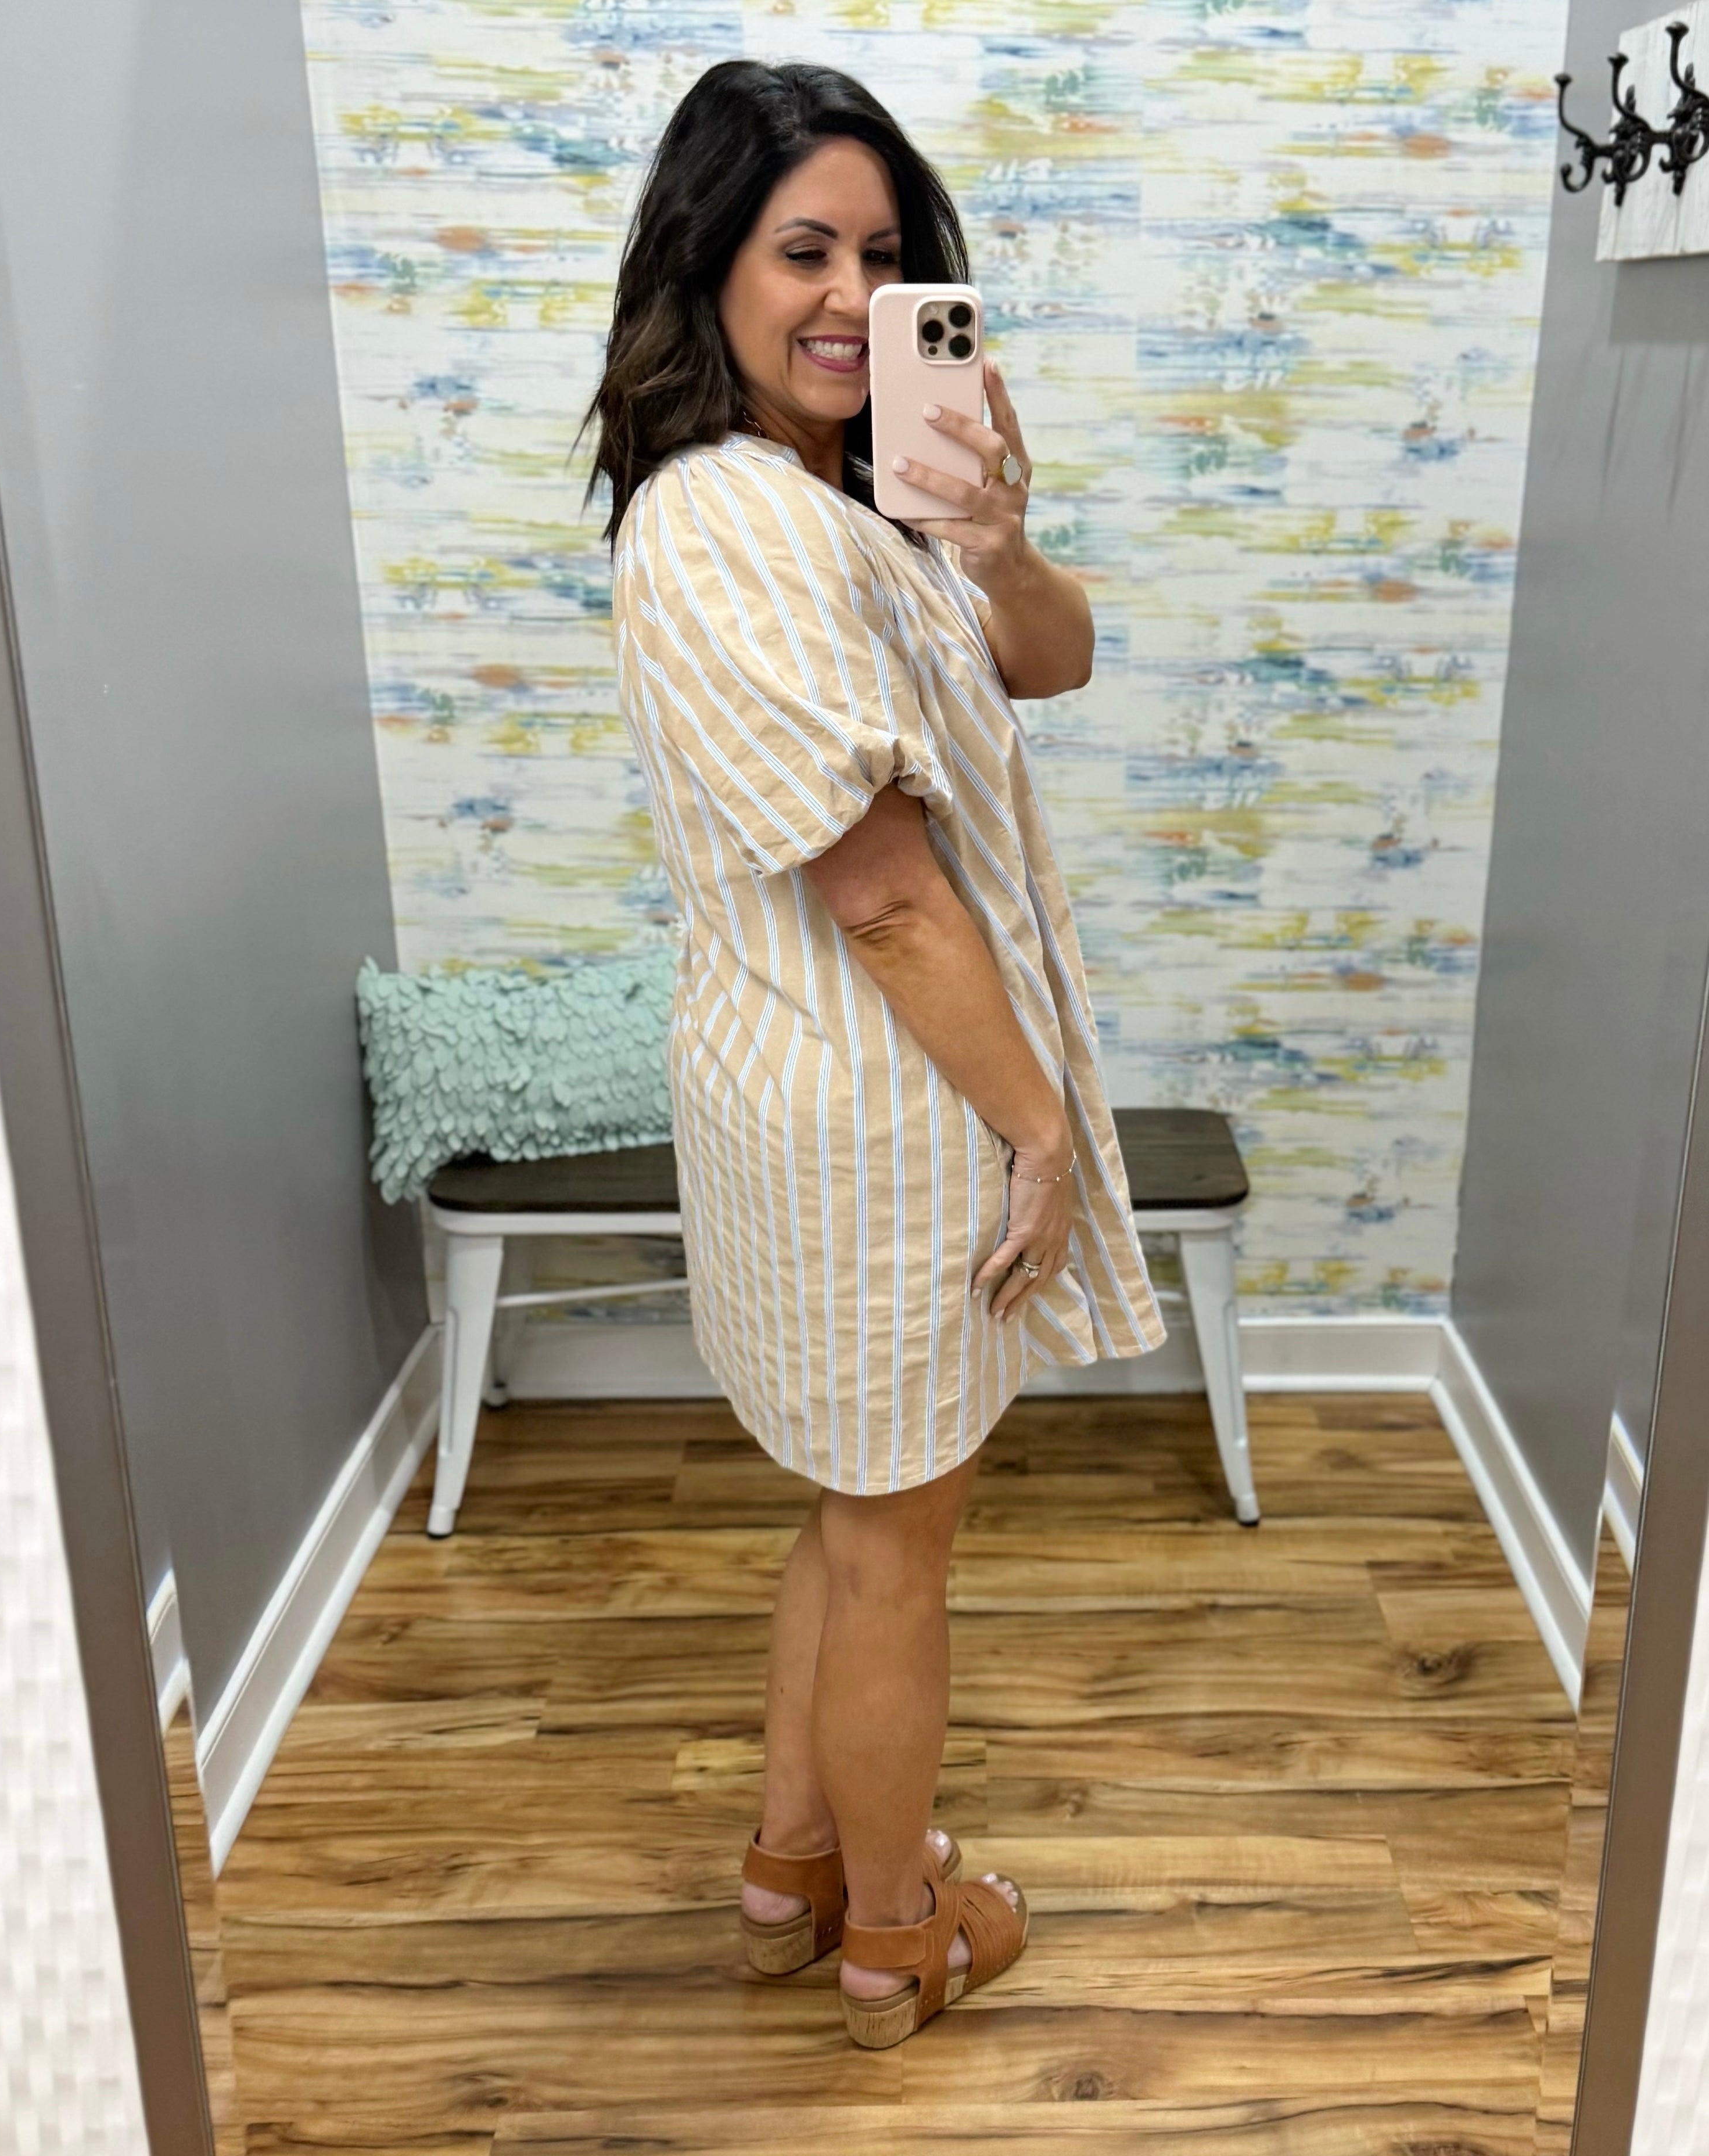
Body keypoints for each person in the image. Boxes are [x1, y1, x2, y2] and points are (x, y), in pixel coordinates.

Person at [586, 58, 1163, 2049]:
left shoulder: (854, 509)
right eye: (802, 250)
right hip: (884, 1107)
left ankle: (784, 1872)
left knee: (852, 1510)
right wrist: (1037, 1139)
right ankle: (897, 1933)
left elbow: (1052, 659)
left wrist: (994, 539)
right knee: (899, 1541)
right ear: (707, 266)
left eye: (886, 257)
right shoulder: (727, 524)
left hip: (840, 1095)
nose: (849, 296)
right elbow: (889, 895)